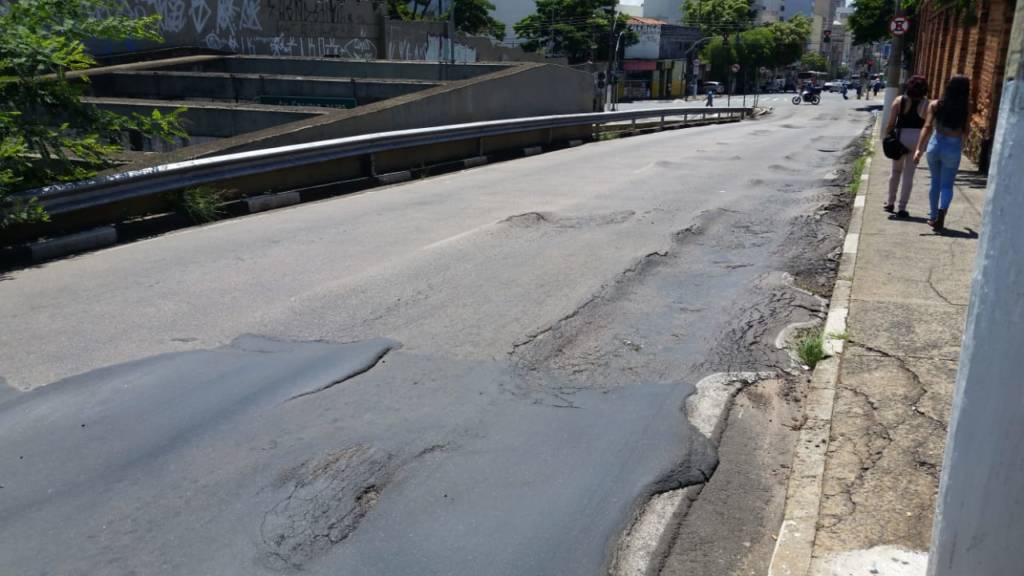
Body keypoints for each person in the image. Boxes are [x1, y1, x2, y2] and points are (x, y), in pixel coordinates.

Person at [914, 75, 971, 232]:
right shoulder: (966, 108)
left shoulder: (936, 104)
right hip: (953, 147)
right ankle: (942, 212)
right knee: (947, 185)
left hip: (935, 144)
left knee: (935, 182)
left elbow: (927, 126)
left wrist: (919, 148)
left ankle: (933, 217)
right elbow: (966, 131)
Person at [883, 75, 929, 217]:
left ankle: (890, 203)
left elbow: (890, 123)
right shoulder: (927, 104)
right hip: (918, 139)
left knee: (896, 171)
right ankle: (902, 208)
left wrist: (887, 137)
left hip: (901, 136)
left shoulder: (899, 101)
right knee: (909, 174)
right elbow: (928, 124)